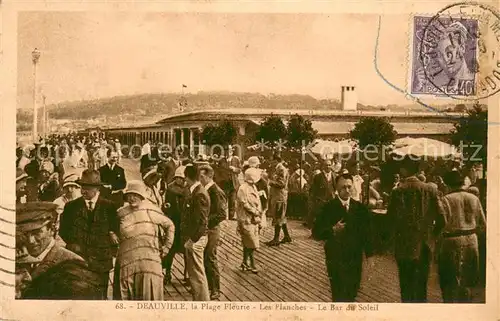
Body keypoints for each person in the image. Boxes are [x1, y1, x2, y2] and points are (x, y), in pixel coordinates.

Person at [387, 157, 446, 303]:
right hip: (425, 245)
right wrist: (432, 236)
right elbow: (442, 219)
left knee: (406, 286)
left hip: (404, 245)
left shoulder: (398, 191)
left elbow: (390, 220)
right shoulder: (430, 189)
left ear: (403, 170)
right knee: (422, 285)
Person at [16, 202, 101, 299]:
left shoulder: (73, 262)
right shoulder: (18, 257)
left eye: (37, 233)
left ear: (52, 229)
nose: (30, 241)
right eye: (25, 234)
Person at [312, 173, 374, 302]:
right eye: (343, 187)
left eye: (349, 187)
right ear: (337, 189)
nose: (347, 190)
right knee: (339, 294)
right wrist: (332, 230)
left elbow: (367, 233)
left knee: (352, 293)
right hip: (336, 258)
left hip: (354, 258)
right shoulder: (328, 208)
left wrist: (369, 256)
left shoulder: (360, 208)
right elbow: (316, 232)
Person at [59, 169, 120, 300]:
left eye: (87, 187)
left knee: (101, 296)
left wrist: (109, 238)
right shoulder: (71, 207)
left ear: (97, 189)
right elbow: (63, 230)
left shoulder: (109, 207)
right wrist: (75, 243)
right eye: (82, 187)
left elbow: (116, 230)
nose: (82, 191)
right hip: (79, 259)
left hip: (101, 261)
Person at [114, 180, 175, 300]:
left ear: (142, 196)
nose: (132, 198)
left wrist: (167, 247)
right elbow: (112, 227)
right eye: (130, 195)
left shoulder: (151, 210)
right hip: (127, 259)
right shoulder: (121, 212)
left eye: (136, 195)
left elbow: (170, 226)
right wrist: (112, 234)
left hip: (149, 260)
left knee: (149, 295)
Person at [438, 170, 486, 303]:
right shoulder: (474, 198)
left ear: (447, 183)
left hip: (451, 240)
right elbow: (483, 224)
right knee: (468, 279)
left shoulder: (446, 199)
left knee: (449, 280)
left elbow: (441, 222)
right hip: (472, 239)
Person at [199, 164, 228, 300]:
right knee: (204, 257)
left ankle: (215, 289)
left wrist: (206, 222)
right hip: (205, 228)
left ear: (209, 176)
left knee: (210, 258)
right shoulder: (205, 189)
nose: (199, 178)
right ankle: (207, 286)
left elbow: (222, 214)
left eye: (202, 176)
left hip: (212, 229)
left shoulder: (216, 191)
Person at [183, 164, 211, 301]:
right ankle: (199, 299)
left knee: (197, 274)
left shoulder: (199, 193)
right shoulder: (198, 191)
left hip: (196, 239)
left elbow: (201, 221)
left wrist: (192, 240)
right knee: (194, 274)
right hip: (195, 238)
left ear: (186, 177)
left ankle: (202, 303)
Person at [163, 165, 189, 285]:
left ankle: (187, 274)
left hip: (184, 224)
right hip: (174, 222)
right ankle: (167, 272)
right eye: (178, 178)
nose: (180, 180)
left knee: (186, 251)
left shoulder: (188, 189)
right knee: (171, 250)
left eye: (182, 178)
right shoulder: (170, 188)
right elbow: (167, 205)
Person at [236, 168, 263, 273]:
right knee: (251, 242)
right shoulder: (243, 188)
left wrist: (258, 211)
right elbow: (244, 203)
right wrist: (254, 211)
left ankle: (244, 262)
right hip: (245, 218)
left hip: (253, 219)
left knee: (248, 242)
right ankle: (252, 264)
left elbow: (257, 200)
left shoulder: (253, 187)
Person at [265, 155, 291, 246]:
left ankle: (276, 239)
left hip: (280, 196)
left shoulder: (281, 169)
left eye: (272, 160)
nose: (270, 162)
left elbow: (282, 184)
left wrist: (269, 182)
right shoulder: (277, 169)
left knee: (278, 216)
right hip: (277, 195)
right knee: (281, 217)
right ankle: (287, 236)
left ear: (276, 161)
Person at [307, 159, 336, 228]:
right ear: (323, 166)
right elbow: (314, 189)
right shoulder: (318, 176)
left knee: (330, 216)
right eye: (326, 165)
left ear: (331, 166)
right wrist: (314, 200)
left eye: (329, 165)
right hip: (320, 200)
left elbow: (335, 187)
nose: (328, 167)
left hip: (330, 199)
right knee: (320, 216)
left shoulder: (334, 176)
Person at [53, 173, 81, 241]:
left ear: (77, 188)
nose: (69, 190)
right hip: (61, 233)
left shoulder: (81, 201)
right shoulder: (58, 202)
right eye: (67, 187)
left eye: (72, 187)